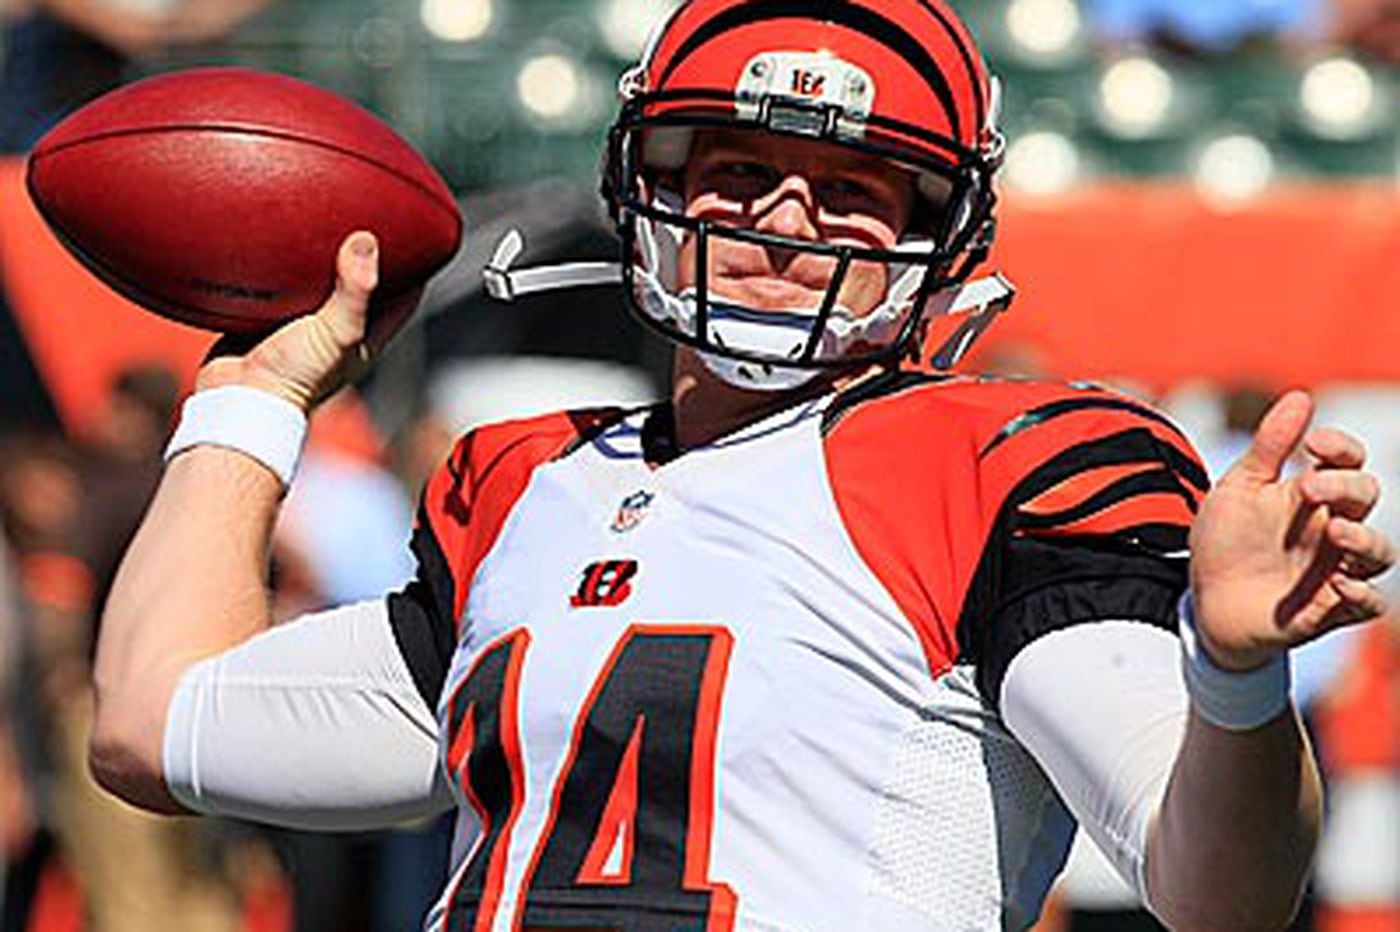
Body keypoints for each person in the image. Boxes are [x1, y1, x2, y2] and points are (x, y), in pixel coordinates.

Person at [87, 1, 1395, 929]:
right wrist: (257, 400)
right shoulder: (524, 485)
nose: (785, 217)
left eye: (853, 185)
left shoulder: (994, 465)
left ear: (941, 231)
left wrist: (1236, 678)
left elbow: (1217, 895)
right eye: (742, 167)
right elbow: (154, 723)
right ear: (648, 180)